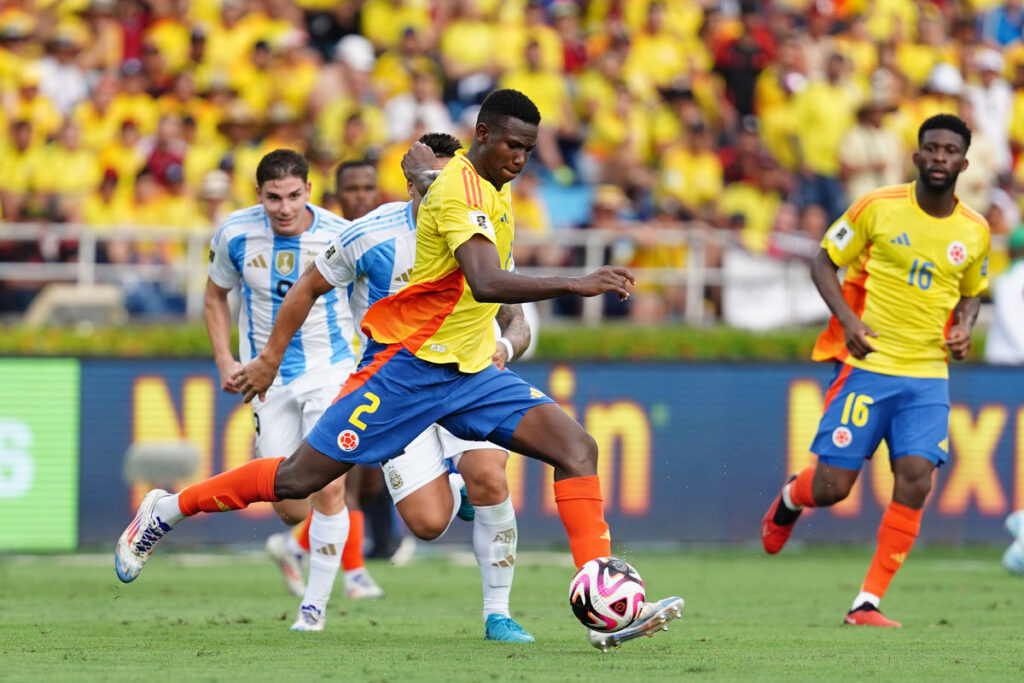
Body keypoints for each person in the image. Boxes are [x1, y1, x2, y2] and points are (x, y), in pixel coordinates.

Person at [115, 89, 684, 650]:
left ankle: (603, 610)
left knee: (577, 448)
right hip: (404, 370)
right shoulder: (458, 194)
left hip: (469, 371)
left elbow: (482, 277)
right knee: (295, 483)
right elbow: (486, 280)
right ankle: (166, 510)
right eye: (512, 145)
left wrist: (506, 341)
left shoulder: (488, 189)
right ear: (482, 136)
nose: (520, 159)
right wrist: (576, 282)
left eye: (529, 150)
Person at [257, 132, 535, 641]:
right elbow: (309, 287)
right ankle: (450, 489)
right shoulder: (372, 234)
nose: (456, 187)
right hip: (399, 385)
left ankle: (499, 612)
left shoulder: (482, 226)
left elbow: (518, 322)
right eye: (442, 178)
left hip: (469, 374)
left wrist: (506, 349)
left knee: (489, 475)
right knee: (426, 524)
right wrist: (270, 357)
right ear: (412, 183)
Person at [760, 114, 990, 627]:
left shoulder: (974, 231)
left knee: (916, 482)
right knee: (833, 488)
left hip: (928, 375)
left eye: (949, 151)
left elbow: (972, 292)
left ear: (964, 163)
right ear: (916, 156)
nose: (938, 158)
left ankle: (867, 602)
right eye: (930, 148)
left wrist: (964, 328)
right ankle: (792, 497)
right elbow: (823, 260)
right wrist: (848, 322)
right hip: (870, 366)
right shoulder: (878, 207)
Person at [200, 148, 382, 630]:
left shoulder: (340, 234)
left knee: (330, 484)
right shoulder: (235, 233)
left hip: (331, 370)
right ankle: (291, 546)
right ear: (258, 194)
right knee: (288, 503)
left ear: (309, 191)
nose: (283, 207)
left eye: (294, 196)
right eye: (273, 197)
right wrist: (225, 359)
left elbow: (369, 296)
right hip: (268, 379)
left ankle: (314, 609)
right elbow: (215, 296)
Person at [262, 154, 389, 605]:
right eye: (352, 190)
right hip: (341, 370)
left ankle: (297, 546)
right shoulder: (333, 240)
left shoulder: (387, 237)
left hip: (378, 371)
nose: (361, 197)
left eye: (368, 189)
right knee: (341, 476)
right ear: (335, 196)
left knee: (366, 480)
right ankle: (352, 572)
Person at [983, 226, 1024, 364]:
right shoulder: (1005, 280)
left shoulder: (1005, 280)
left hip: (1005, 360)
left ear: (1010, 252)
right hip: (1009, 360)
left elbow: (1010, 320)